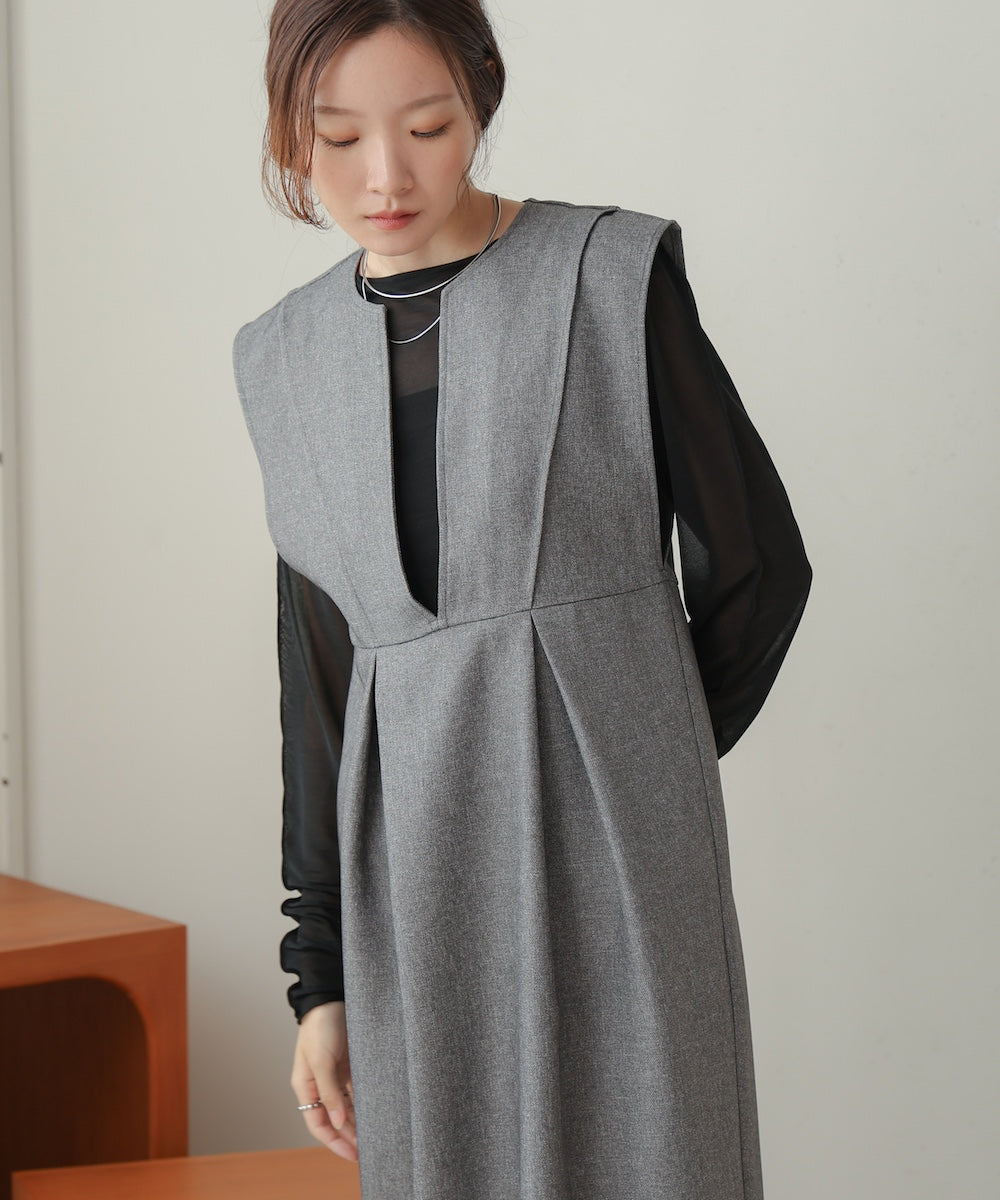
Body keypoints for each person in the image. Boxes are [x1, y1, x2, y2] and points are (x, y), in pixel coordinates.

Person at [232, 1, 812, 1195]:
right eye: (337, 138)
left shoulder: (606, 275)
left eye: (427, 127)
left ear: (481, 95)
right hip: (411, 891)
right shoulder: (280, 360)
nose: (385, 177)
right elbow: (320, 685)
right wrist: (318, 980)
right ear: (291, 132)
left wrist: (634, 767)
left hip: (620, 859)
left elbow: (757, 567)